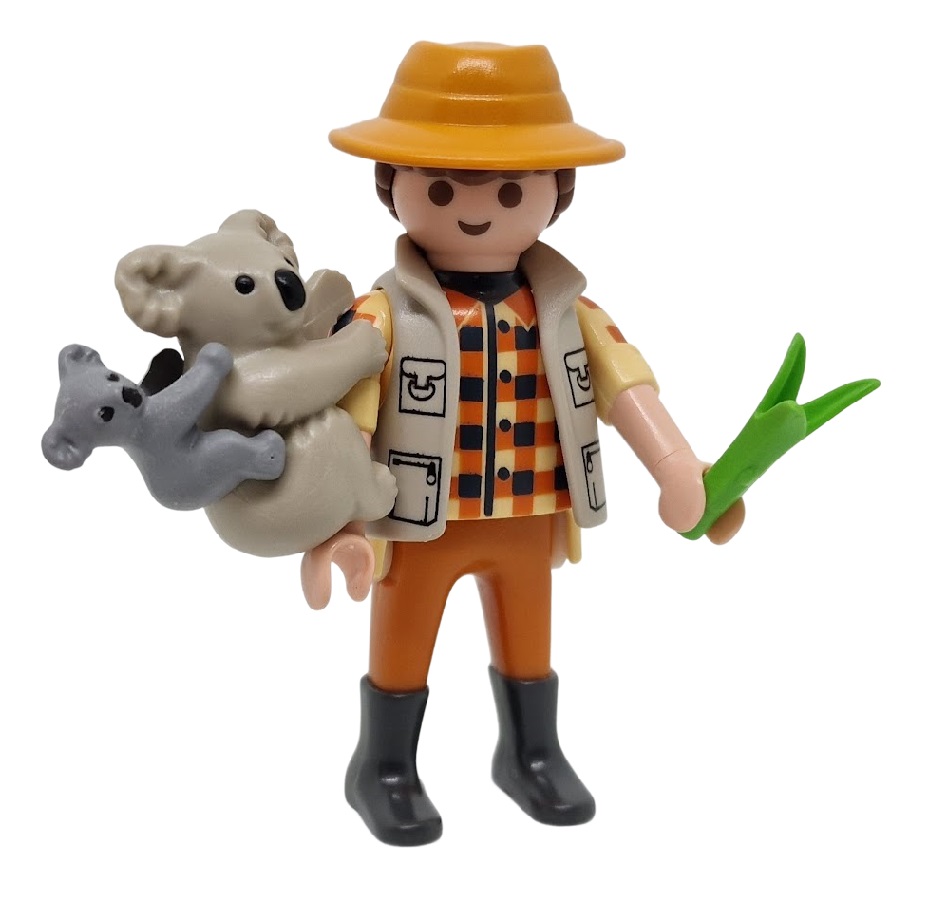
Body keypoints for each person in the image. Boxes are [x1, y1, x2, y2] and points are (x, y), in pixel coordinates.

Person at [309, 40, 744, 846]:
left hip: (531, 509)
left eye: (511, 189)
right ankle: (384, 764)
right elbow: (349, 418)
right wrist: (336, 519)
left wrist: (678, 467)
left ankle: (531, 753)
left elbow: (627, 387)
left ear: (556, 191)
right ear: (392, 184)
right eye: (442, 186)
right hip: (419, 517)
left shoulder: (567, 309)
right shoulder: (383, 314)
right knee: (404, 637)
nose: (476, 208)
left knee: (528, 636)